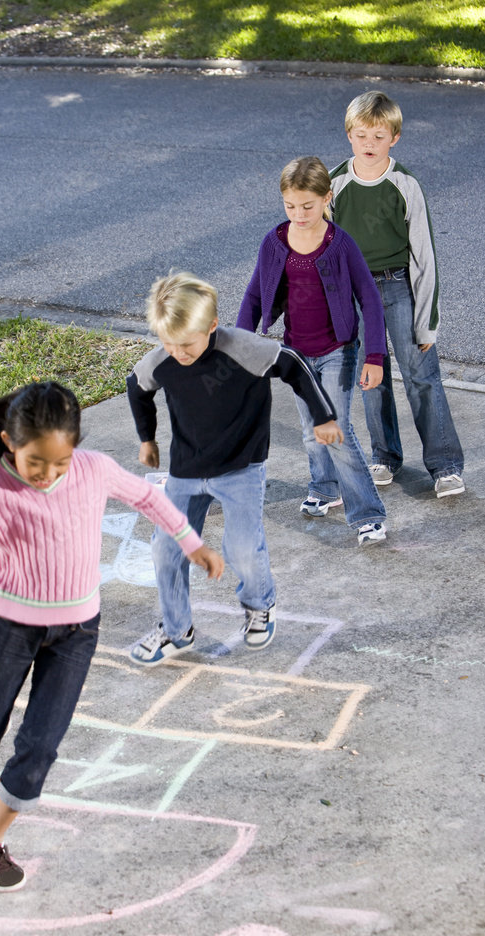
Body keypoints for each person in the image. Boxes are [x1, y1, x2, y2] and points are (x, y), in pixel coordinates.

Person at [0, 380, 223, 892]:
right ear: (10, 442)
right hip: (14, 626)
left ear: (75, 447)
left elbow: (149, 497)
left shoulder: (93, 470)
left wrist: (192, 544)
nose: (48, 474)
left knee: (41, 746)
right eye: (37, 462)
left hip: (79, 631)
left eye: (59, 462)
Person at [126, 270, 342, 666]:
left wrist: (323, 416)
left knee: (241, 547)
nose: (178, 353)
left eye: (187, 344)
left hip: (241, 467)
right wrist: (147, 438)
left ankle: (259, 605)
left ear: (211, 325)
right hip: (186, 472)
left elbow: (292, 364)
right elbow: (137, 387)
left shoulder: (241, 348)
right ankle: (177, 630)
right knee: (164, 549)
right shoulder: (163, 358)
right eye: (168, 343)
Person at [237, 156, 388, 546]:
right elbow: (254, 297)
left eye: (308, 205)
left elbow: (370, 300)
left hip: (338, 349)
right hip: (297, 355)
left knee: (334, 429)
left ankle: (368, 515)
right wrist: (239, 345)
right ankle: (325, 488)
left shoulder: (341, 245)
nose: (299, 214)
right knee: (310, 431)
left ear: (326, 198)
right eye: (291, 206)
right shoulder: (274, 243)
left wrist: (375, 356)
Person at [330, 90, 465, 498]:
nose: (369, 144)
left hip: (397, 285)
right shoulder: (335, 185)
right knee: (372, 378)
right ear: (349, 136)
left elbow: (424, 257)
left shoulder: (404, 185)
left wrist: (427, 323)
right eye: (361, 135)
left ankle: (445, 465)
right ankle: (385, 456)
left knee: (422, 375)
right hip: (355, 292)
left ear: (395, 138)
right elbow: (325, 250)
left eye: (378, 136)